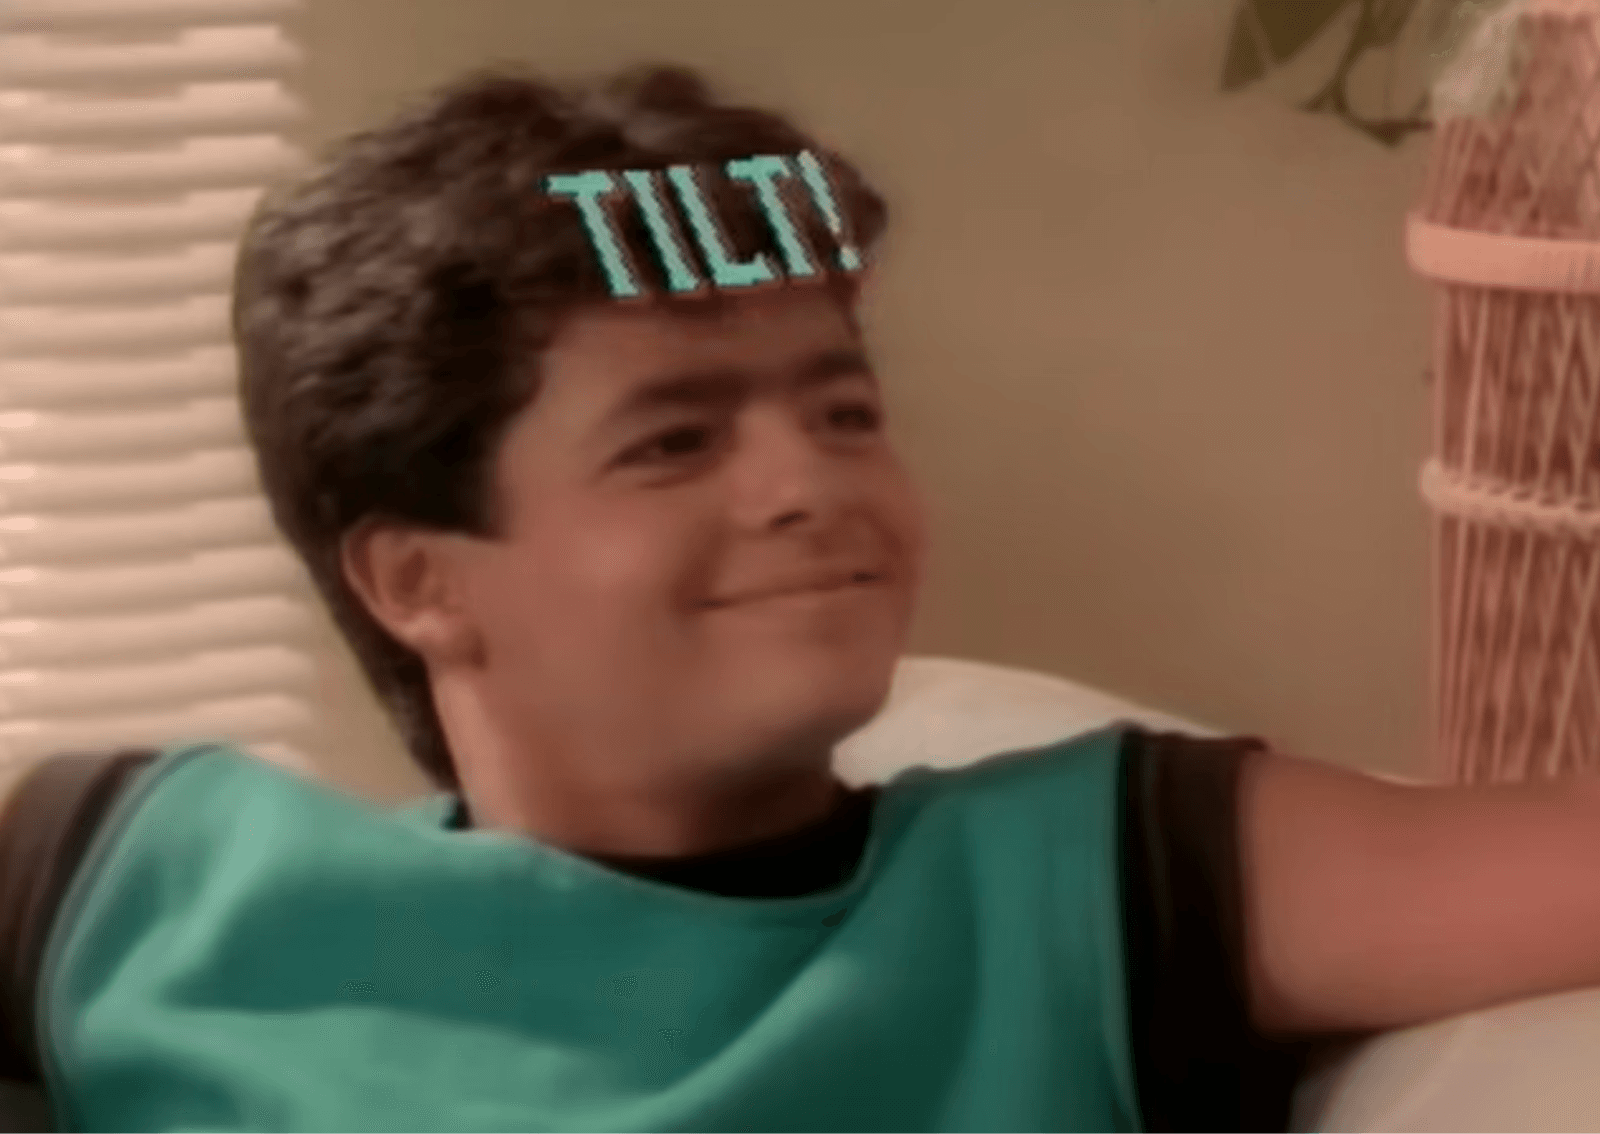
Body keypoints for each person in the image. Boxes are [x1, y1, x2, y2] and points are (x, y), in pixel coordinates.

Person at [1, 61, 1598, 1134]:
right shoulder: (126, 892)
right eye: (674, 439)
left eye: (843, 410)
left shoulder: (1093, 881)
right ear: (418, 577)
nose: (812, 481)